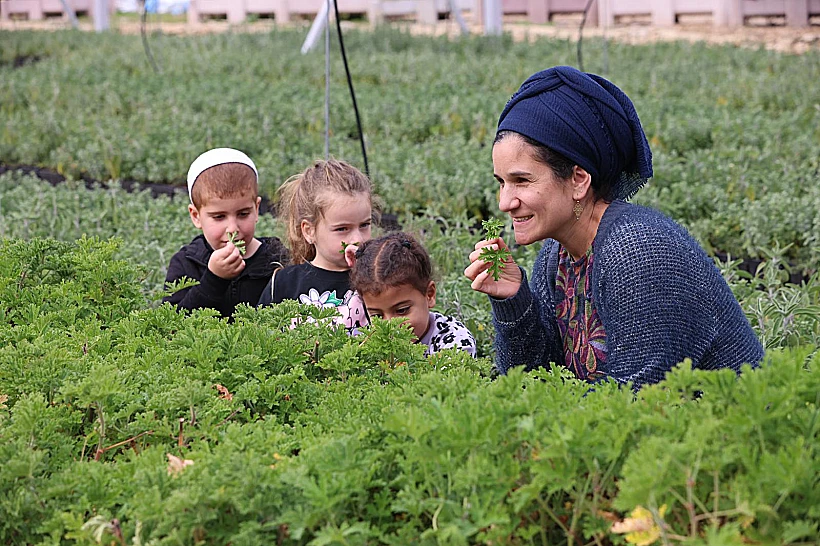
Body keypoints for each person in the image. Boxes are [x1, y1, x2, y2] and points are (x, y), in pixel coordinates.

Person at [464, 66, 764, 390]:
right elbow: (534, 382)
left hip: (739, 432)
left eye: (521, 180)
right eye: (501, 182)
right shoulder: (557, 254)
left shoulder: (637, 251)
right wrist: (513, 299)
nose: (505, 202)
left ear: (578, 180)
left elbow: (632, 400)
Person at [163, 147, 289, 318]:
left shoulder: (278, 258)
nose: (232, 228)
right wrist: (214, 279)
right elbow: (172, 324)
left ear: (257, 209)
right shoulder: (187, 263)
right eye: (219, 217)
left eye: (243, 214)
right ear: (196, 216)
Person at [257, 158, 373, 331]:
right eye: (342, 229)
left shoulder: (379, 277)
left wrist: (367, 276)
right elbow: (260, 338)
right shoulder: (284, 283)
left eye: (364, 225)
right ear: (309, 231)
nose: (357, 238)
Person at [350, 232, 477, 357]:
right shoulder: (365, 340)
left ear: (429, 294)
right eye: (377, 316)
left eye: (402, 310)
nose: (390, 326)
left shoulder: (454, 340)